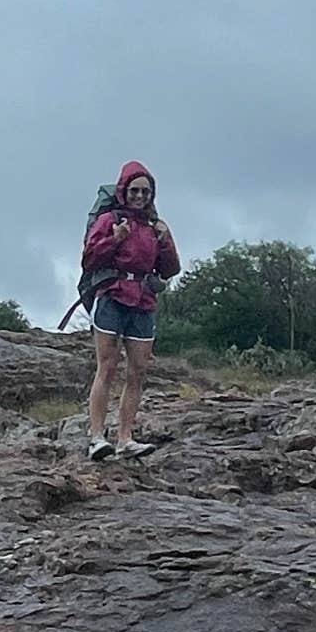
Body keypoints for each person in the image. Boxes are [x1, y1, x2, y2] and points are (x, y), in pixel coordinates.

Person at [82, 161, 180, 460]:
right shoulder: (110, 219)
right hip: (112, 297)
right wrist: (116, 239)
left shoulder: (155, 227)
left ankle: (125, 438)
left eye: (145, 192)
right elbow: (88, 258)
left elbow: (171, 269)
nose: (139, 196)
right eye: (135, 190)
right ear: (124, 190)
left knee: (138, 371)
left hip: (143, 301)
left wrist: (165, 241)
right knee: (107, 366)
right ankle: (97, 438)